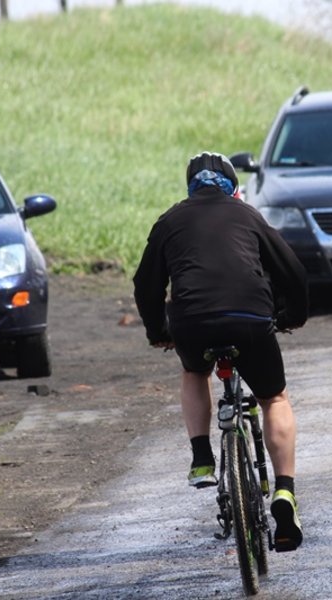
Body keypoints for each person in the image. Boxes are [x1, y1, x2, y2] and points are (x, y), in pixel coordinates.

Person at [133, 151, 309, 552]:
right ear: (232, 186)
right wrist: (293, 316)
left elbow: (146, 284)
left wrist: (158, 332)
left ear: (190, 187)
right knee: (274, 398)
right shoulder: (247, 215)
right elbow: (293, 272)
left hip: (192, 323)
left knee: (195, 372)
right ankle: (284, 490)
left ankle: (201, 459)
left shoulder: (170, 220)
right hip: (249, 319)